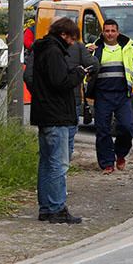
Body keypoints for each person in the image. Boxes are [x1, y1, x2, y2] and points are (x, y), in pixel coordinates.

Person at [29, 17, 88, 224]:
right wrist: (78, 74)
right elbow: (59, 82)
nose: (73, 43)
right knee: (58, 164)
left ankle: (46, 207)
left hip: (45, 114)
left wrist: (70, 72)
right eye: (72, 38)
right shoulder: (54, 52)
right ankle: (57, 208)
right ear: (63, 34)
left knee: (46, 163)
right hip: (56, 115)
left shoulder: (43, 49)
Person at [86, 20, 133, 174]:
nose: (110, 34)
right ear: (103, 32)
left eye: (113, 31)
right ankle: (107, 163)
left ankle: (120, 154)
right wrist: (87, 54)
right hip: (102, 95)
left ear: (118, 32)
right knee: (102, 130)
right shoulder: (95, 49)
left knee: (127, 128)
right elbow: (85, 70)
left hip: (122, 95)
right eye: (107, 31)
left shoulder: (127, 49)